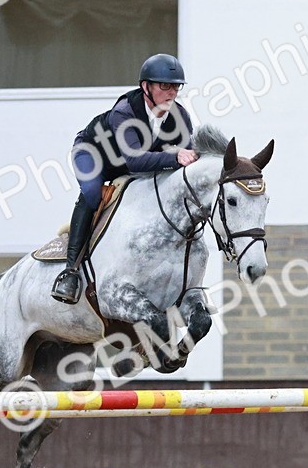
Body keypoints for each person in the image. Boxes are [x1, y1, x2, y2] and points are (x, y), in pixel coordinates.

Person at [51, 53, 198, 304]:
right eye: (165, 86)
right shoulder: (125, 111)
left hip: (127, 164)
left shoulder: (180, 117)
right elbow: (136, 162)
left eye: (176, 86)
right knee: (93, 194)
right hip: (93, 155)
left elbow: (189, 161)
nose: (172, 92)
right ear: (146, 87)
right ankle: (70, 271)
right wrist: (175, 157)